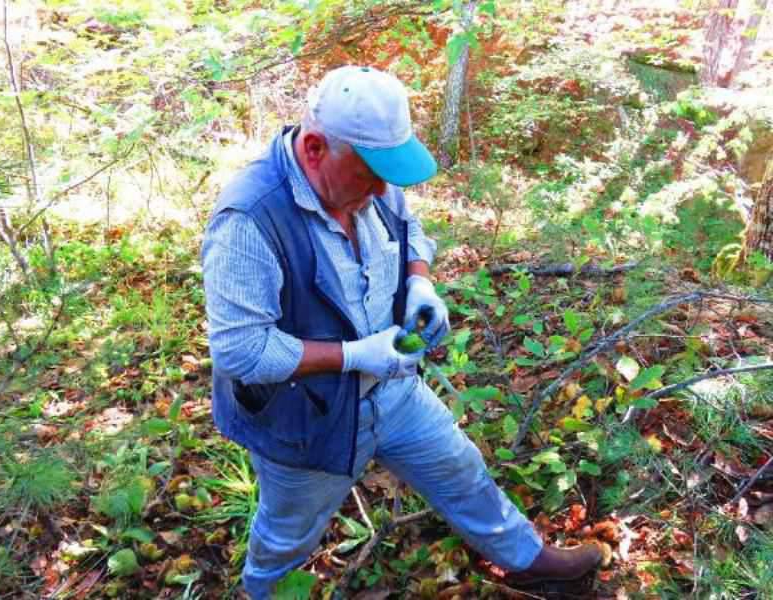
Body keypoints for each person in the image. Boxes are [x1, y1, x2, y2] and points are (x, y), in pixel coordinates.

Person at [202, 65, 601, 599]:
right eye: (370, 173)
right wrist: (353, 355)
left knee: (461, 468)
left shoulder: (371, 183)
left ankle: (527, 560)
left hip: (392, 389)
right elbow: (242, 352)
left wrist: (420, 285)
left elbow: (410, 230)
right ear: (316, 149)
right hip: (304, 419)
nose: (383, 187)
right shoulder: (250, 219)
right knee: (286, 537)